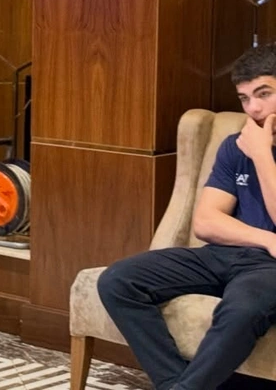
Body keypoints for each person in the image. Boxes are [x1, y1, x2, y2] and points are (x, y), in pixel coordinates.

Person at [98, 43, 276, 390]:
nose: (253, 109)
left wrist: (261, 156)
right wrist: (266, 237)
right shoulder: (234, 145)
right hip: (226, 254)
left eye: (264, 94)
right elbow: (206, 222)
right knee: (118, 281)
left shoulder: (252, 147)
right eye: (244, 98)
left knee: (242, 310)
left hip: (269, 268)